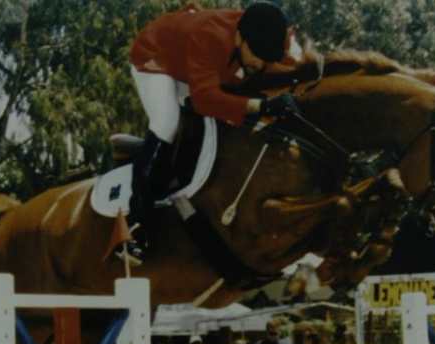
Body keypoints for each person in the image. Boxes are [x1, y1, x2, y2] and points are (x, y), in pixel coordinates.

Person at [126, 2, 303, 260]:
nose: (261, 62)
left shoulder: (266, 40)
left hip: (195, 66)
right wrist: (263, 105)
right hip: (155, 58)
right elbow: (205, 100)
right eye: (257, 54)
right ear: (240, 37)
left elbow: (296, 64)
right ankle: (136, 223)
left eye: (268, 56)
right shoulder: (210, 35)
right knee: (167, 123)